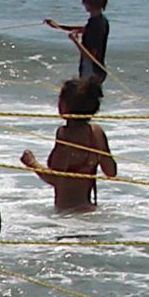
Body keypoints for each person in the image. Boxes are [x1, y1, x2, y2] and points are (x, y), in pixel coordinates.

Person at [21, 76, 116, 213]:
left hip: (68, 215)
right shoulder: (96, 132)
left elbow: (55, 178)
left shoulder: (65, 135)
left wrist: (31, 162)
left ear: (64, 106)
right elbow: (111, 172)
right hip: (90, 211)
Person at [45, 0, 109, 83]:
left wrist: (75, 41)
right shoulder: (101, 20)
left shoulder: (95, 25)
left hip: (91, 72)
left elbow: (90, 56)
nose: (83, 4)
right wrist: (58, 25)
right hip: (99, 70)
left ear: (89, 3)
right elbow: (84, 29)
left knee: (85, 96)